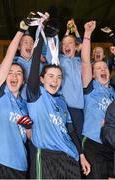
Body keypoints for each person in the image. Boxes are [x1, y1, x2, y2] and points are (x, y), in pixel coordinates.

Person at [25, 22, 90, 178]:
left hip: (70, 158)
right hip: (48, 157)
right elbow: (35, 63)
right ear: (41, 79)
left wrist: (81, 155)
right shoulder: (36, 95)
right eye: (51, 76)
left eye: (59, 77)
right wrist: (40, 32)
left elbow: (71, 131)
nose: (55, 80)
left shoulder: (62, 102)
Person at [0, 20, 32, 179]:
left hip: (21, 169)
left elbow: (31, 137)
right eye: (10, 72)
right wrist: (20, 31)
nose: (14, 75)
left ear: (23, 81)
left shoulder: (25, 106)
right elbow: (9, 57)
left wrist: (30, 128)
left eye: (19, 73)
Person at [81, 20, 115, 179]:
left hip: (112, 144)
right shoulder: (91, 87)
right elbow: (86, 61)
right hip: (94, 143)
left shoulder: (113, 93)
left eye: (105, 68)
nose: (103, 70)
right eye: (98, 68)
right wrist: (87, 34)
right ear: (93, 74)